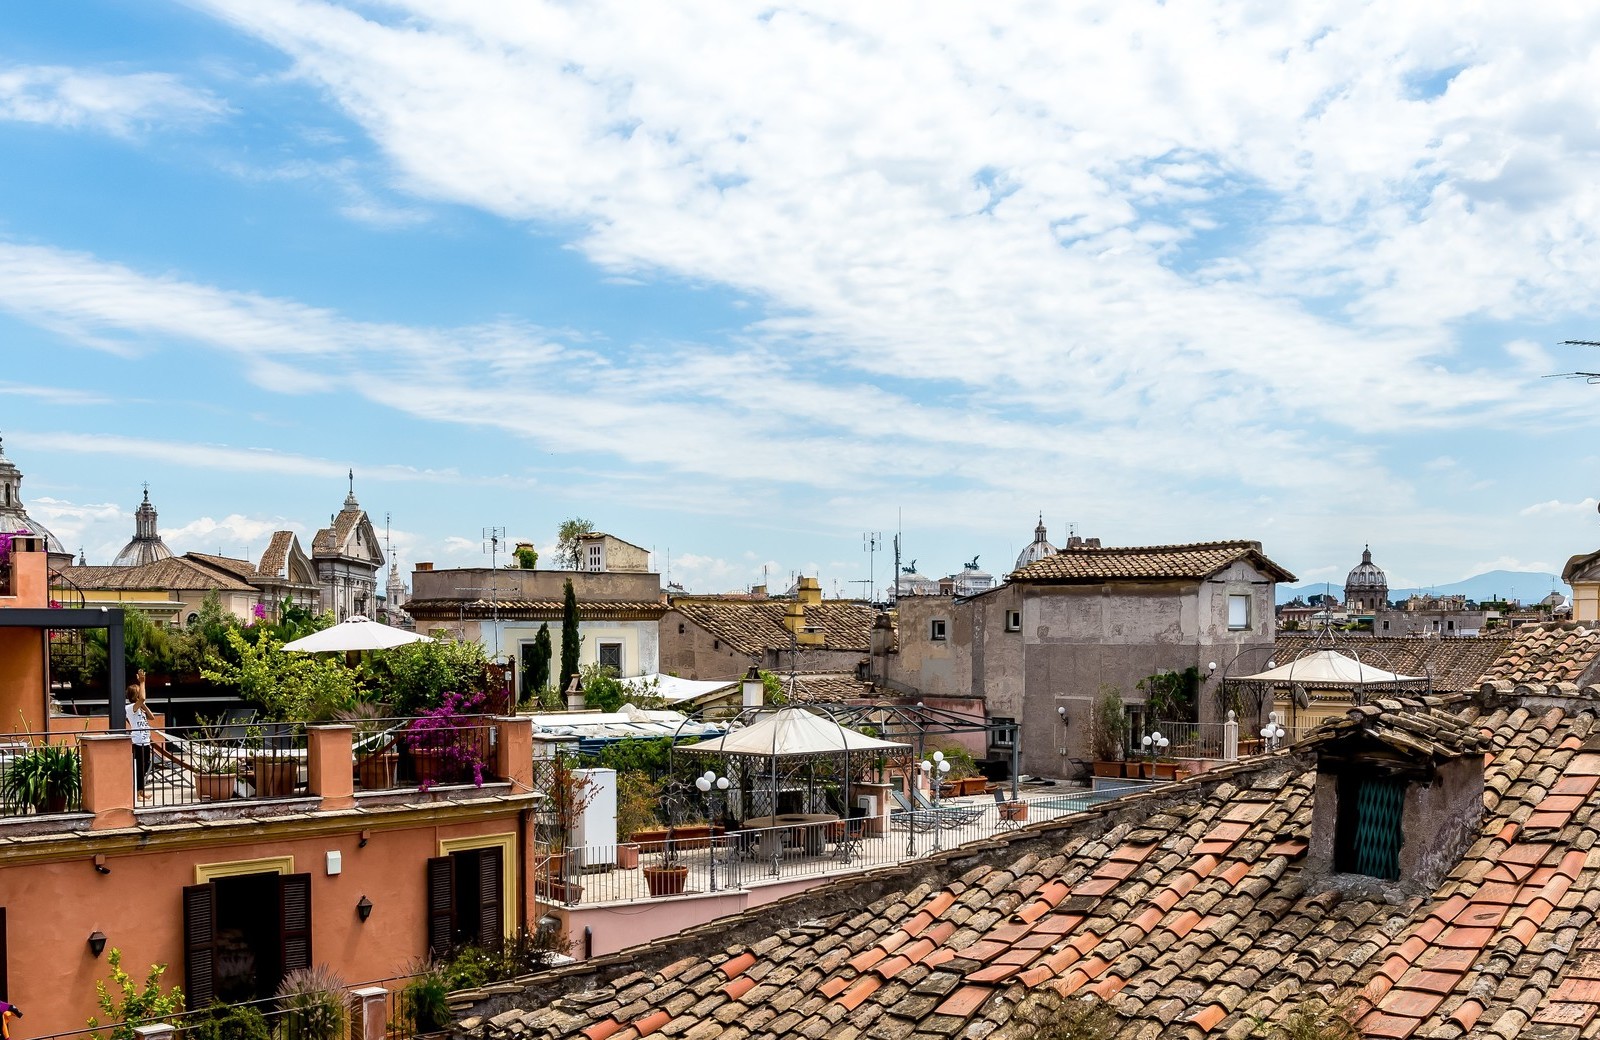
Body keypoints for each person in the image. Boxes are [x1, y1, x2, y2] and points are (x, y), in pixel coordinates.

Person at [127, 668, 153, 803]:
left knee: (144, 767)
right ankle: (138, 794)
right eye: (139, 692)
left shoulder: (139, 707)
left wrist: (144, 705)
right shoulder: (130, 708)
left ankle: (142, 792)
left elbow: (152, 717)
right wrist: (142, 682)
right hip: (138, 741)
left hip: (146, 741)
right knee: (139, 768)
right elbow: (143, 697)